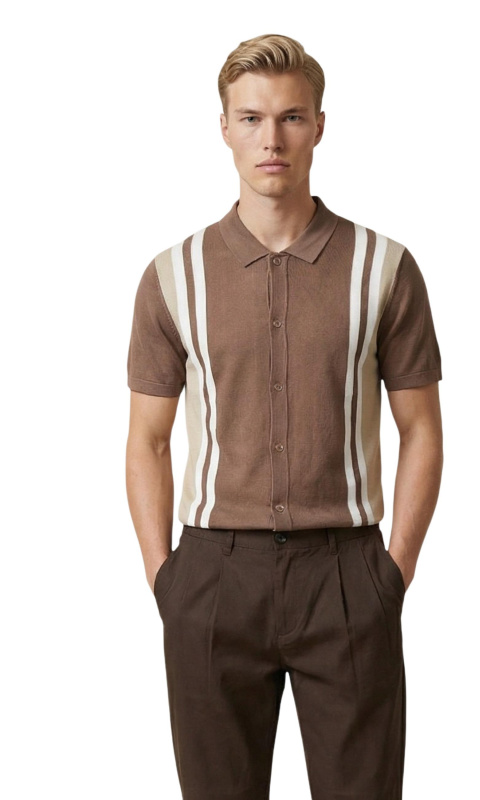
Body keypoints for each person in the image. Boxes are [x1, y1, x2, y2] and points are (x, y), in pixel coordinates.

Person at [126, 32, 443, 800]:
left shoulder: (383, 268)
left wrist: (390, 573)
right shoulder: (172, 276)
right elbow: (147, 440)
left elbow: (421, 431)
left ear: (319, 125)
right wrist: (167, 579)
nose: (271, 139)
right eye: (251, 118)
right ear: (224, 128)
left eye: (291, 117)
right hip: (212, 577)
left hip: (346, 573)